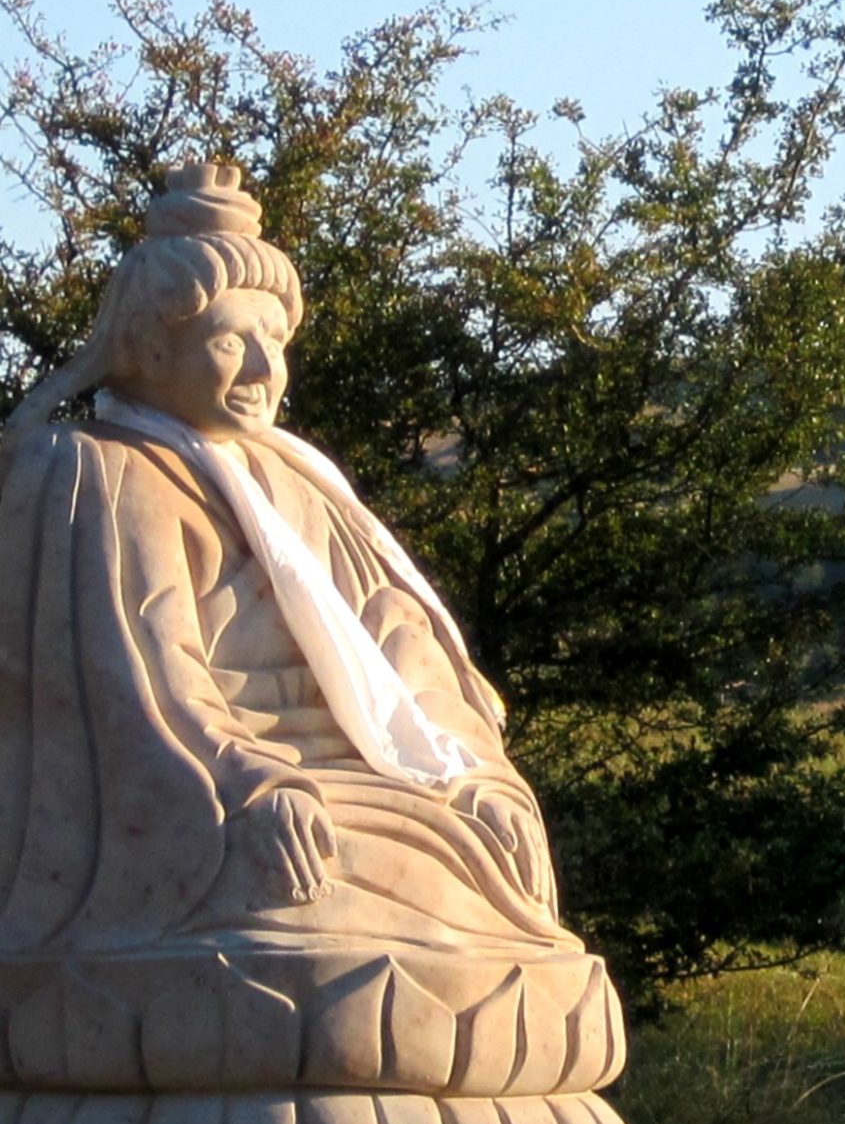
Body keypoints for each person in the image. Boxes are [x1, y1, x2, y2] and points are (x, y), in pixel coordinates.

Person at [0, 158, 569, 957]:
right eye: (232, 341)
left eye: (276, 340)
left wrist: (476, 772)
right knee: (326, 918)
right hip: (217, 790)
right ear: (150, 351)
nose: (267, 371)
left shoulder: (298, 481)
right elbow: (142, 675)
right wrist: (250, 778)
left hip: (372, 778)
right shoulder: (103, 473)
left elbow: (396, 637)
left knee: (495, 874)